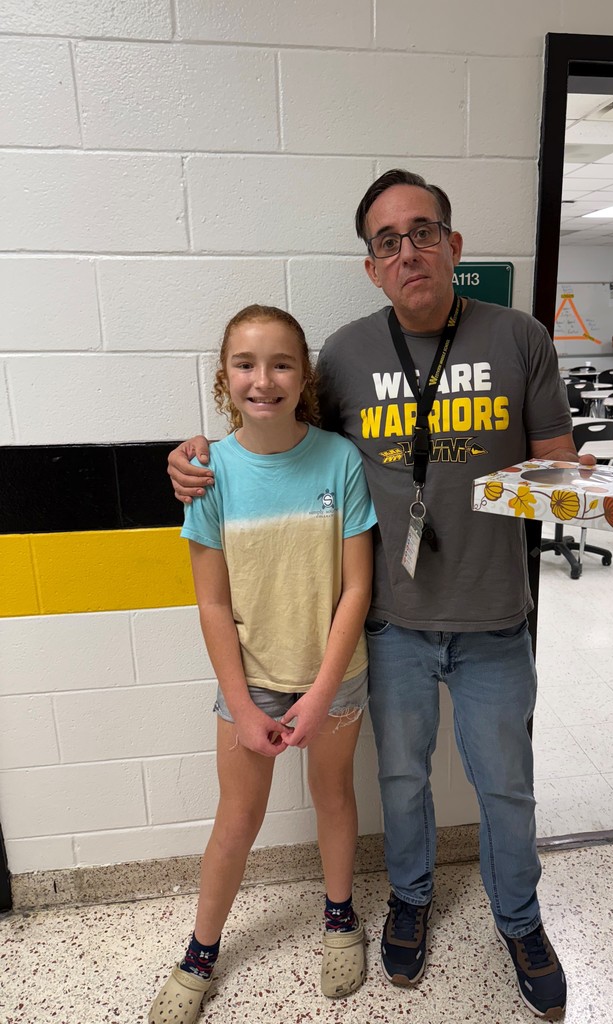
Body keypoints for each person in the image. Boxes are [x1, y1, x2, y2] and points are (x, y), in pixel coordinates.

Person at [168, 171, 590, 1021]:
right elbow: (283, 438)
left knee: (507, 787)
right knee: (401, 780)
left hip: (496, 618)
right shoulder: (346, 356)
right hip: (393, 622)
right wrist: (193, 457)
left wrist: (589, 488)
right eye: (387, 242)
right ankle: (409, 901)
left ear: (453, 245)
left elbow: (560, 464)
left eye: (423, 232)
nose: (408, 252)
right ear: (371, 266)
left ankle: (520, 921)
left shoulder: (520, 337)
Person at [151, 304, 376, 1024]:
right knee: (237, 817)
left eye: (281, 364)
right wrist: (244, 706)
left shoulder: (340, 461)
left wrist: (322, 692)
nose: (263, 379)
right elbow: (212, 602)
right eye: (245, 364)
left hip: (334, 676)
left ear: (303, 376)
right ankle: (200, 953)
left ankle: (340, 917)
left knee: (333, 796)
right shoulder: (208, 473)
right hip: (249, 683)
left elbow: (357, 588)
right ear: (225, 379)